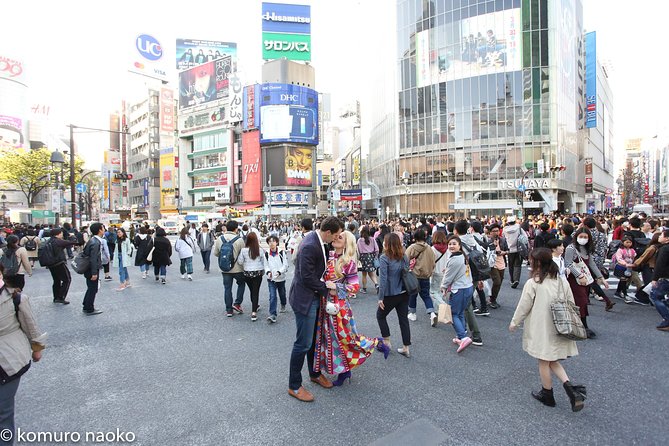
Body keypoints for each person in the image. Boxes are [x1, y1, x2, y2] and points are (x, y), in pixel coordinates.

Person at [509, 247, 587, 412]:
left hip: (541, 326)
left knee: (543, 360)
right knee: (551, 359)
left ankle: (548, 394)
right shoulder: (561, 281)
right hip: (560, 326)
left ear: (536, 263)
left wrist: (515, 322)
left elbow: (524, 305)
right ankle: (571, 389)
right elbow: (571, 302)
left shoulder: (534, 283)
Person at [315, 230, 388, 386]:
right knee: (330, 339)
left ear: (346, 242)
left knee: (346, 339)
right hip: (326, 304)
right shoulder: (328, 255)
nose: (336, 237)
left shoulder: (348, 262)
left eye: (340, 236)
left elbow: (354, 286)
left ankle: (376, 343)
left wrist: (335, 286)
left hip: (339, 308)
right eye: (336, 235)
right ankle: (344, 371)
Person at [288, 216, 344, 403]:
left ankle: (314, 373)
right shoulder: (310, 245)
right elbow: (306, 277)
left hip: (312, 296)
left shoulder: (318, 240)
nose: (336, 238)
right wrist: (327, 287)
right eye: (335, 235)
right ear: (327, 232)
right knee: (303, 343)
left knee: (314, 339)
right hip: (305, 298)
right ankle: (294, 385)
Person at [0, 264, 47, 439]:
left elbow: (30, 325)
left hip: (8, 358)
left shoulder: (15, 297)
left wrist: (37, 348)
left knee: (3, 412)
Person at [564, 228, 609, 338]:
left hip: (584, 280)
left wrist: (601, 277)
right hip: (574, 280)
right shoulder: (571, 248)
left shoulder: (586, 248)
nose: (583, 239)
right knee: (581, 302)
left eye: (585, 237)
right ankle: (583, 327)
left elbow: (592, 264)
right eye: (581, 236)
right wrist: (579, 275)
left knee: (582, 302)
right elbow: (568, 264)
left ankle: (579, 326)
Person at [377, 232, 412, 358]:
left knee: (380, 315)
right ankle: (406, 347)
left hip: (390, 294)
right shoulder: (404, 256)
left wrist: (380, 297)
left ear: (386, 244)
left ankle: (386, 342)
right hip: (404, 292)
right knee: (403, 320)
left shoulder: (384, 257)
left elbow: (383, 279)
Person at [440, 235, 475, 353]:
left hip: (459, 289)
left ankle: (463, 336)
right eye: (449, 244)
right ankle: (462, 336)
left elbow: (448, 277)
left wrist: (443, 287)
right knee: (460, 313)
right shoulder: (463, 256)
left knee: (454, 314)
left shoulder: (455, 259)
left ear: (459, 245)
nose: (451, 246)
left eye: (454, 244)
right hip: (467, 287)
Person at [213, 220, 246, 317]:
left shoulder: (220, 239)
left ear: (226, 228)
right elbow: (243, 254)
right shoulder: (239, 240)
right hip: (238, 269)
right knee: (241, 284)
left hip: (225, 268)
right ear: (236, 229)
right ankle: (237, 303)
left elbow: (216, 253)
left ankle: (229, 310)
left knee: (227, 288)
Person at [405, 229, 437, 326]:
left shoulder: (412, 247)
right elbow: (433, 262)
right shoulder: (429, 248)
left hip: (414, 275)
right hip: (425, 276)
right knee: (426, 295)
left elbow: (405, 259)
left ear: (415, 237)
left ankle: (413, 313)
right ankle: (432, 313)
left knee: (412, 295)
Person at [44, 229, 78, 305]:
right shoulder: (58, 241)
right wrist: (72, 237)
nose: (62, 235)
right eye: (61, 233)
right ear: (58, 234)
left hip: (51, 263)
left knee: (56, 280)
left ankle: (56, 297)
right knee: (67, 279)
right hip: (59, 263)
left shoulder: (49, 241)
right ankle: (61, 296)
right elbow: (71, 243)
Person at [237, 232, 265, 322]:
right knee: (255, 291)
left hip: (247, 273)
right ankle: (254, 312)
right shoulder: (260, 250)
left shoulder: (243, 250)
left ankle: (255, 306)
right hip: (258, 272)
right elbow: (264, 261)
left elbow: (240, 262)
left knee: (251, 291)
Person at [264, 235, 288, 323]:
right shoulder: (266, 253)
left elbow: (285, 265)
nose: (271, 243)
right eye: (270, 242)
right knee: (272, 296)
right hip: (271, 279)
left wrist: (279, 272)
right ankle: (273, 314)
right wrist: (268, 272)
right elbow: (265, 265)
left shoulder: (282, 252)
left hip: (281, 277)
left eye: (273, 241)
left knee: (282, 293)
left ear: (277, 242)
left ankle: (283, 303)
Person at [649, 229, 669, 331]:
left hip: (665, 277)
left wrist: (655, 278)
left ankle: (667, 319)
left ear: (667, 238)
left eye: (661, 235)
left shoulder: (664, 249)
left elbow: (659, 265)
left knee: (656, 296)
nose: (659, 237)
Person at [82, 223, 104, 315]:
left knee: (91, 287)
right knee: (93, 288)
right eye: (103, 228)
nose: (104, 229)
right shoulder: (96, 242)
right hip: (91, 269)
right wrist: (94, 272)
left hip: (88, 268)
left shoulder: (92, 240)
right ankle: (89, 308)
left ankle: (86, 304)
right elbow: (93, 258)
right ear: (99, 230)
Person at [488, 224, 508, 308]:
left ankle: (493, 298)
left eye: (497, 231)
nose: (496, 233)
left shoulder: (503, 240)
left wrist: (505, 252)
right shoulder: (488, 240)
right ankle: (492, 300)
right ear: (490, 232)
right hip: (492, 263)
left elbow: (507, 249)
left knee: (499, 283)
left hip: (501, 262)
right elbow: (487, 251)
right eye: (494, 231)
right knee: (497, 282)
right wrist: (495, 247)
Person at [612, 236, 636, 303]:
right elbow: (619, 259)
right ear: (623, 242)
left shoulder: (632, 250)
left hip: (628, 267)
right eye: (627, 242)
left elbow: (634, 257)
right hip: (620, 267)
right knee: (623, 279)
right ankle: (625, 294)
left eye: (630, 242)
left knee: (623, 280)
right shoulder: (620, 250)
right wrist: (626, 264)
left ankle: (618, 292)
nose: (628, 244)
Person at [357, 226, 379, 294]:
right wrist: (375, 256)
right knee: (371, 273)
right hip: (371, 256)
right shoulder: (372, 239)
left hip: (363, 257)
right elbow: (377, 249)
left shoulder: (360, 240)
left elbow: (358, 251)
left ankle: (364, 288)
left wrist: (358, 259)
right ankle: (376, 284)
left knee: (364, 274)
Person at [504, 216, 523, 288]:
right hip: (518, 248)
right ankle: (516, 279)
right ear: (515, 222)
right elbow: (525, 236)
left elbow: (504, 238)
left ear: (508, 222)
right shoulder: (519, 228)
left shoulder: (505, 229)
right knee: (517, 265)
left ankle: (512, 279)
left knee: (511, 265)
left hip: (509, 249)